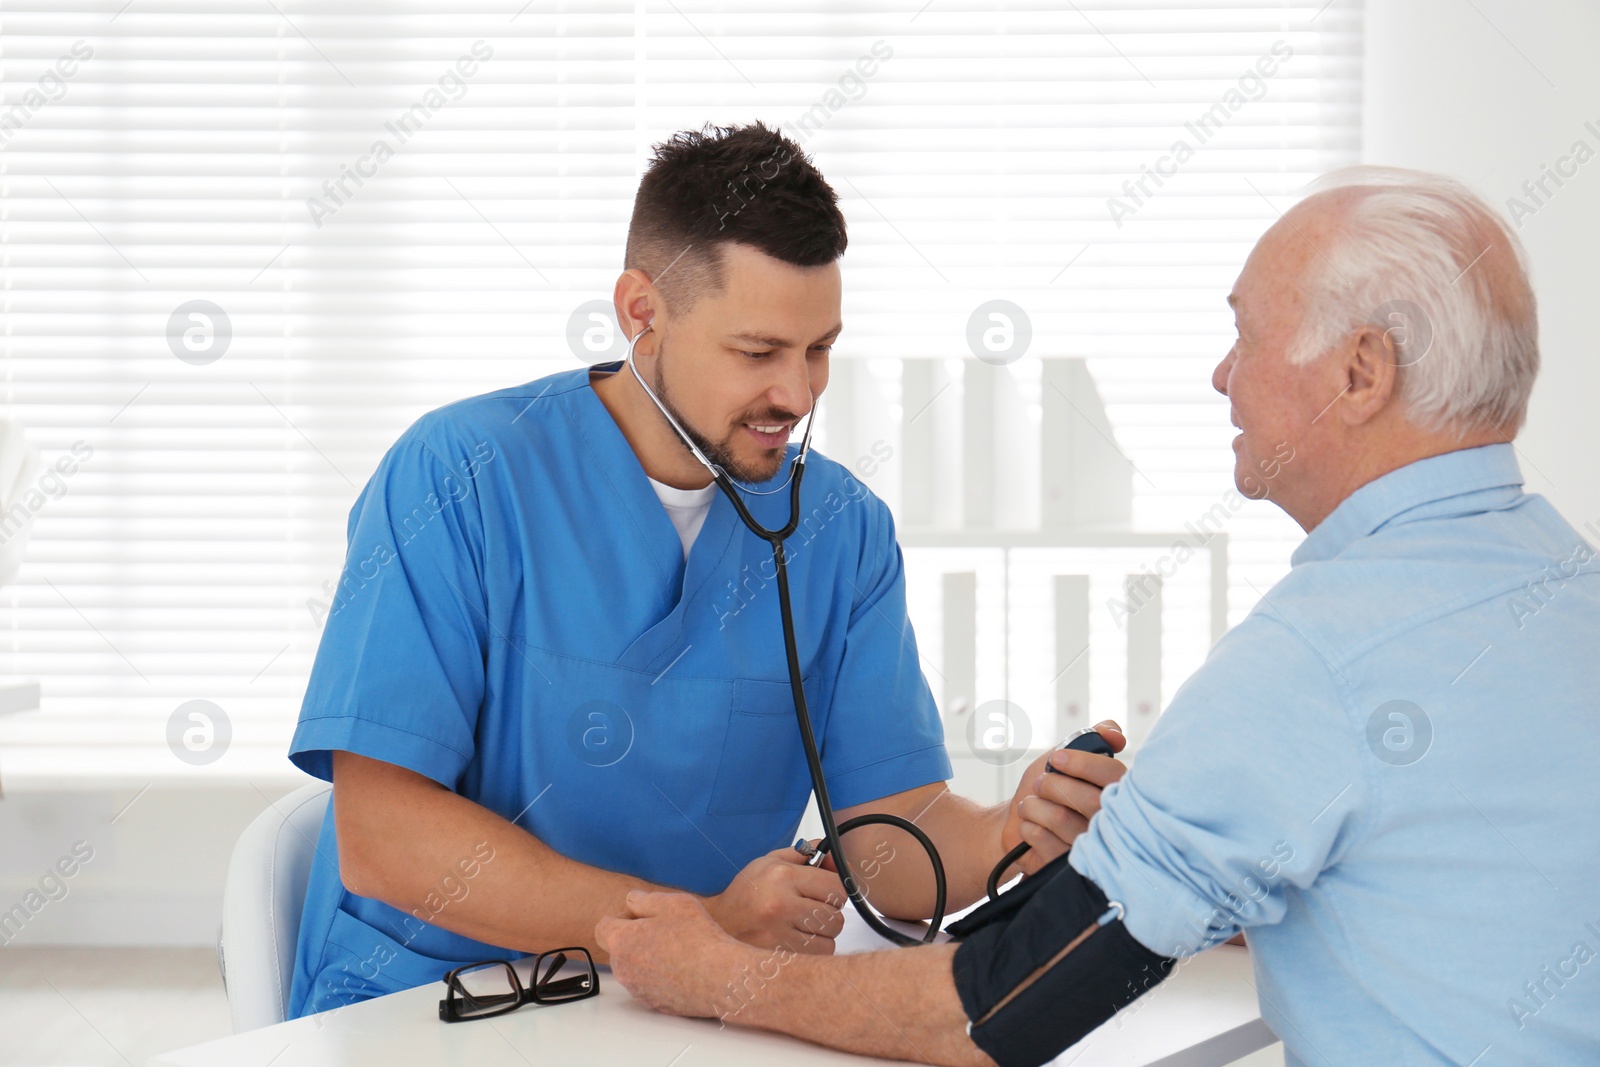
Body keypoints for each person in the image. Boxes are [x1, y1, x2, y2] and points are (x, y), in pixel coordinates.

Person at [597, 166, 1600, 1066]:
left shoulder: (1321, 653)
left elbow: (995, 1009)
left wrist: (714, 975)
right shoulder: (1567, 581)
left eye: (1244, 334)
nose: (1222, 374)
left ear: (1359, 372)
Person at [283, 121, 1087, 1019]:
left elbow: (886, 833)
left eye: (818, 348)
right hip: (439, 1001)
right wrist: (703, 924)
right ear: (642, 312)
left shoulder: (840, 529)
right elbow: (384, 836)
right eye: (757, 353)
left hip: (684, 1008)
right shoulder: (457, 476)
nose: (798, 393)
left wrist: (1008, 832)